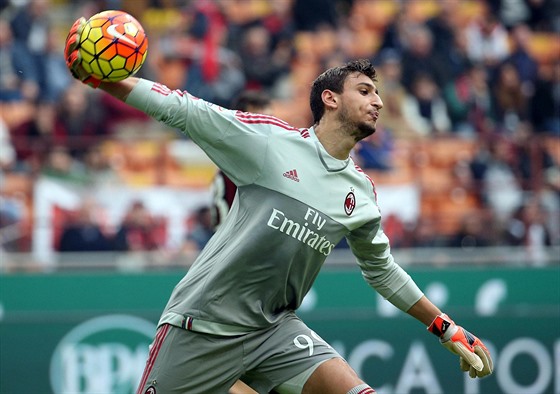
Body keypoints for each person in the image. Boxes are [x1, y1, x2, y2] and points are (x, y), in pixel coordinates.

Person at [65, 17, 493, 394]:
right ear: (330, 99)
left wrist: (445, 327)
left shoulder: (360, 194)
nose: (378, 101)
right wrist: (99, 79)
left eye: (377, 94)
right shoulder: (271, 142)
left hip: (273, 330)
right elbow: (184, 110)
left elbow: (382, 271)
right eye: (364, 91)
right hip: (202, 326)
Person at [211, 90, 273, 230]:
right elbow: (223, 225)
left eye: (270, 120)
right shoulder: (231, 168)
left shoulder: (277, 161)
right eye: (259, 121)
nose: (268, 128)